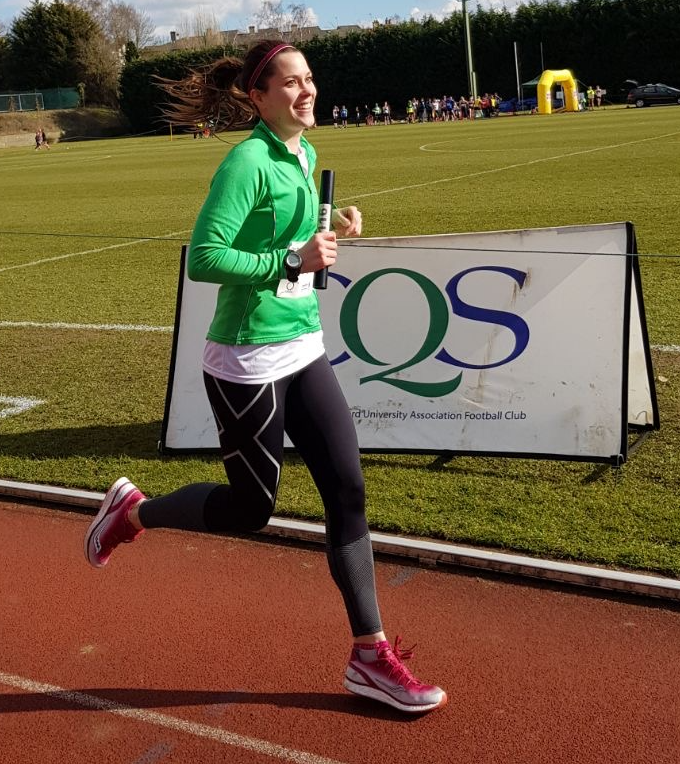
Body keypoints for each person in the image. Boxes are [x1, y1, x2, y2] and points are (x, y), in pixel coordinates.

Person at [84, 39, 448, 715]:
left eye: (309, 79)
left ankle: (369, 655)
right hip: (246, 357)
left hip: (302, 344)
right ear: (257, 96)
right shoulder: (246, 160)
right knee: (252, 508)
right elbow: (208, 257)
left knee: (347, 488)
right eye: (289, 83)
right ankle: (132, 513)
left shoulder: (302, 153)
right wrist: (291, 257)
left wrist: (330, 227)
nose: (305, 92)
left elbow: (290, 236)